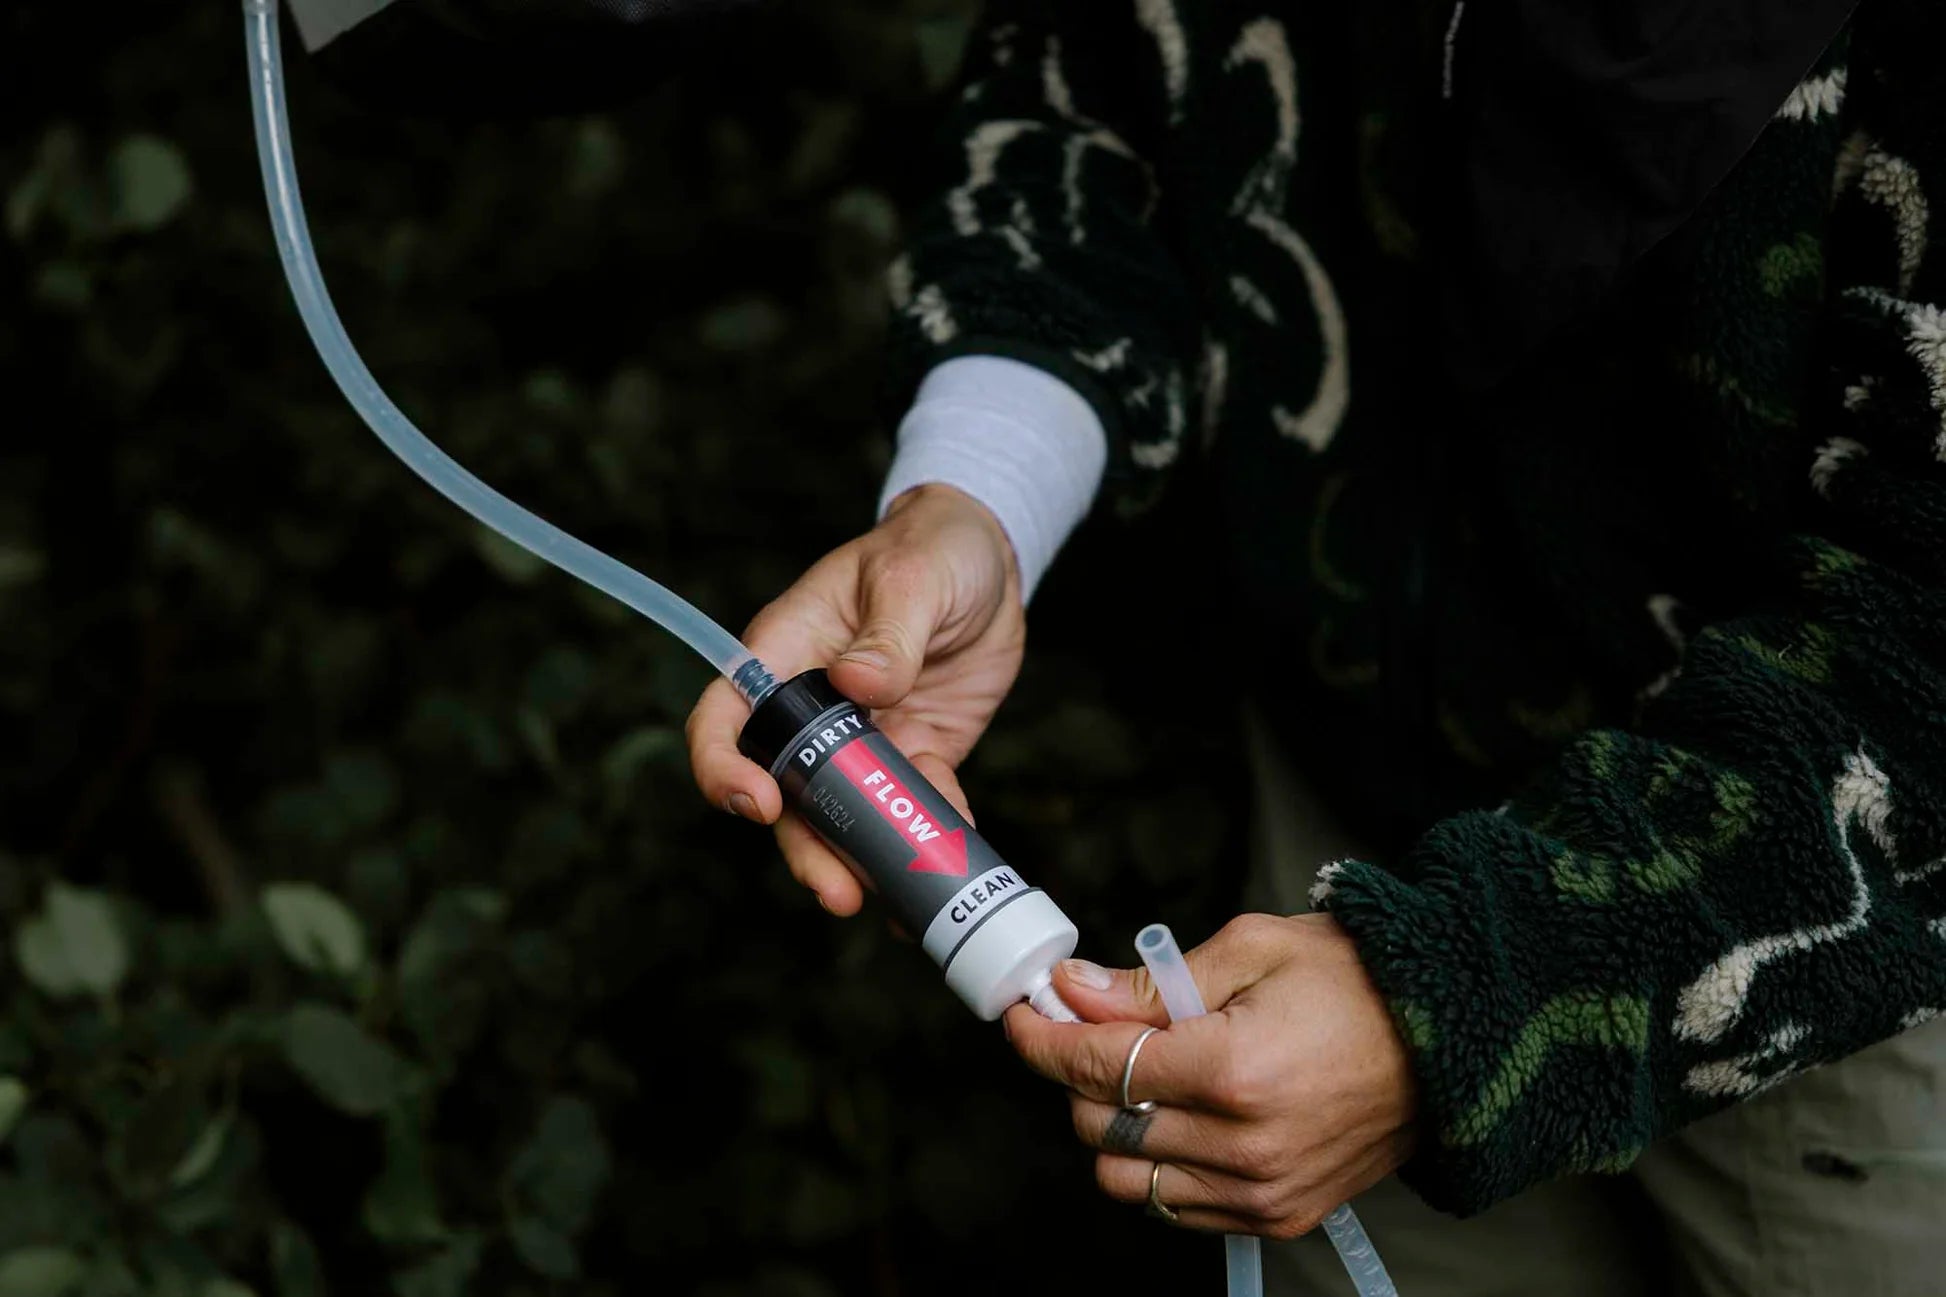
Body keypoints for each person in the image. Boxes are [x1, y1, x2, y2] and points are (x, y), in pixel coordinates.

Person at [688, 1, 1946, 1292]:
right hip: (1345, 877)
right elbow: (1095, 86)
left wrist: (1451, 1005)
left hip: (1811, 965)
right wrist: (979, 493)